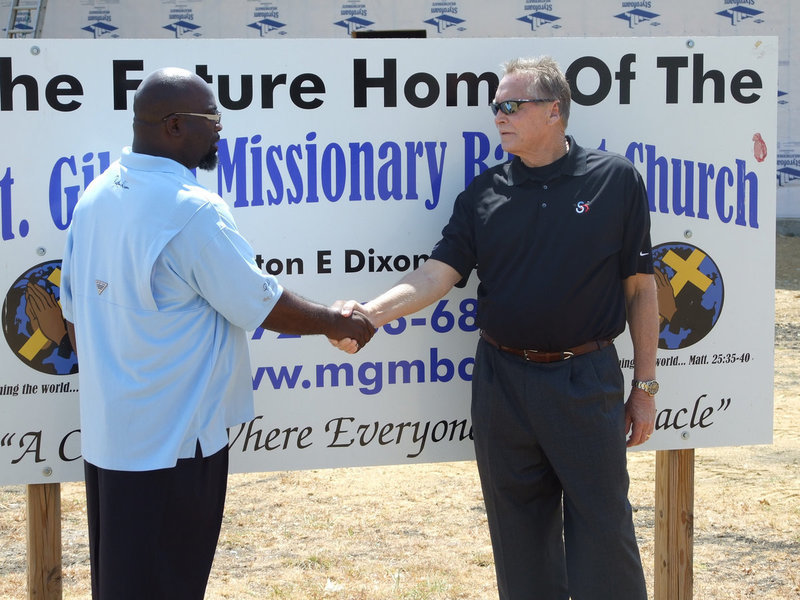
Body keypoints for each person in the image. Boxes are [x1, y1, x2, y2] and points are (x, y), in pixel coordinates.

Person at [333, 56, 658, 600]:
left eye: (512, 105)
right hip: (501, 385)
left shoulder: (615, 180)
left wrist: (644, 387)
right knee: (519, 540)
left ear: (555, 111)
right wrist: (370, 315)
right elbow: (436, 275)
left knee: (604, 534)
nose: (499, 117)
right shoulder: (483, 193)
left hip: (586, 381)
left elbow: (640, 289)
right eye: (496, 107)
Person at [60, 67, 374, 600]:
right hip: (176, 446)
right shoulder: (191, 210)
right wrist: (338, 323)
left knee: (121, 584)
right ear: (175, 125)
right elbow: (261, 303)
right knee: (170, 584)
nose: (221, 131)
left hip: (113, 440)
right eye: (214, 119)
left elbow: (71, 321)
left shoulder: (95, 196)